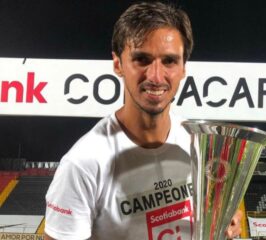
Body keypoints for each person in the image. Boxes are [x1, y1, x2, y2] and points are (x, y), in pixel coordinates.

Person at [44, 1, 242, 239]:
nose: (156, 77)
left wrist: (229, 223)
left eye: (169, 61)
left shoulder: (200, 145)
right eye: (142, 59)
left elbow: (222, 212)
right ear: (118, 64)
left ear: (183, 68)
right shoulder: (83, 164)